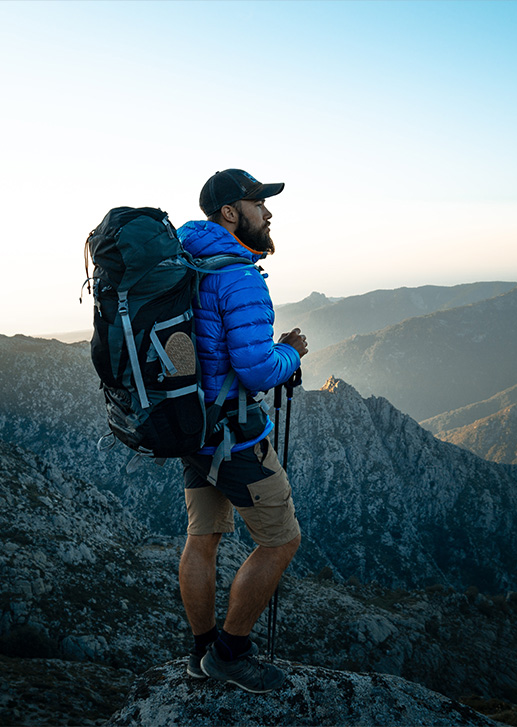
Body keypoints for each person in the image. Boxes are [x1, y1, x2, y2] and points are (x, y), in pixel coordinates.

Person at [175, 169, 307, 694]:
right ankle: (231, 654)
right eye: (258, 203)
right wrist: (292, 350)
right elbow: (254, 369)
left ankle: (202, 651)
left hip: (190, 426)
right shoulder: (239, 275)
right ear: (230, 213)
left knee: (202, 537)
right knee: (281, 540)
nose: (268, 213)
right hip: (235, 438)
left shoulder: (187, 261)